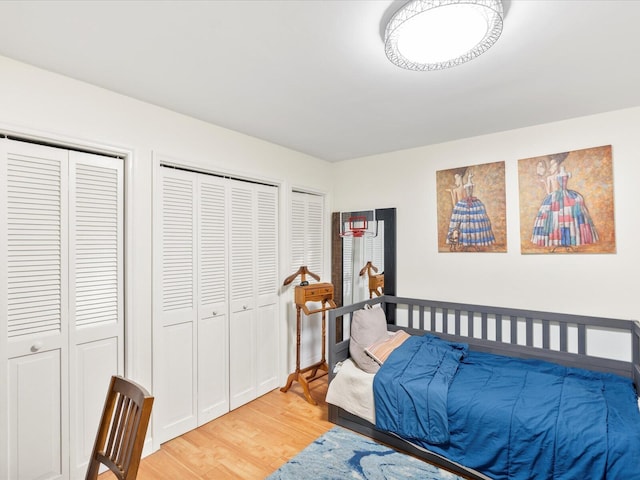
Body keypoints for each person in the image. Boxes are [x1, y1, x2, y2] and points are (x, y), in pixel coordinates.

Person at [531, 158, 598, 249]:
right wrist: (545, 184)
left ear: (557, 164)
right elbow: (549, 191)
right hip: (556, 195)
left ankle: (569, 239)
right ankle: (558, 239)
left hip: (565, 194)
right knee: (556, 219)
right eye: (552, 165)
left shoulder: (564, 174)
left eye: (554, 164)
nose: (553, 166)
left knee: (571, 212)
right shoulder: (551, 177)